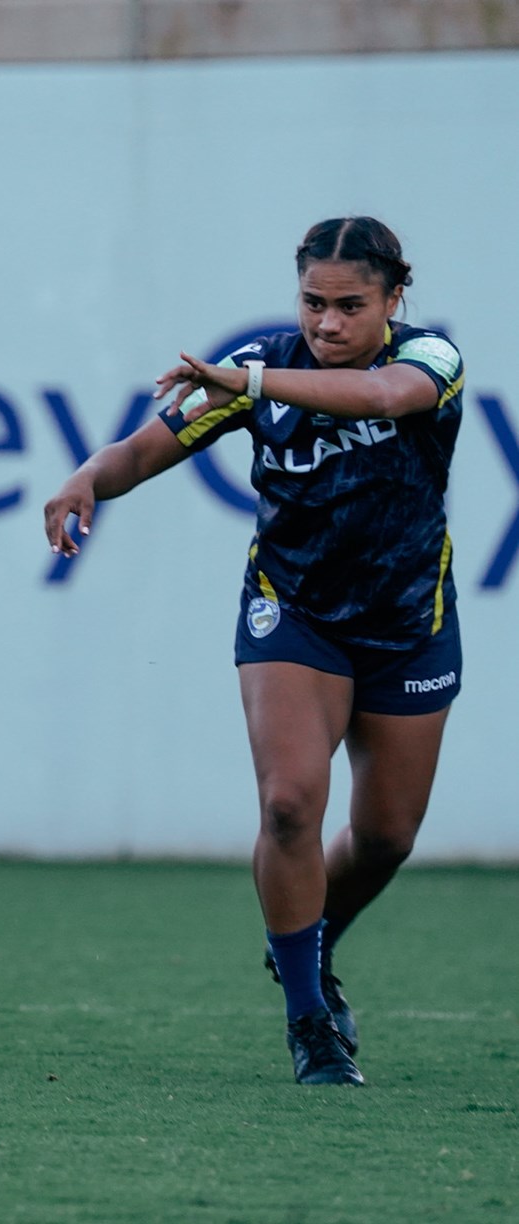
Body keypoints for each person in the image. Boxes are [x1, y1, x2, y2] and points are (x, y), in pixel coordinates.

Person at [43, 217, 464, 1086]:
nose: (328, 323)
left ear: (393, 299)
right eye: (313, 302)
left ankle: (308, 940)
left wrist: (251, 380)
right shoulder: (259, 370)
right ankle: (310, 1020)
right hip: (292, 613)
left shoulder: (431, 362)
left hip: (405, 621)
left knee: (385, 836)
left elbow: (386, 399)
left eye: (351, 306)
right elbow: (145, 448)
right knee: (286, 803)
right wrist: (90, 476)